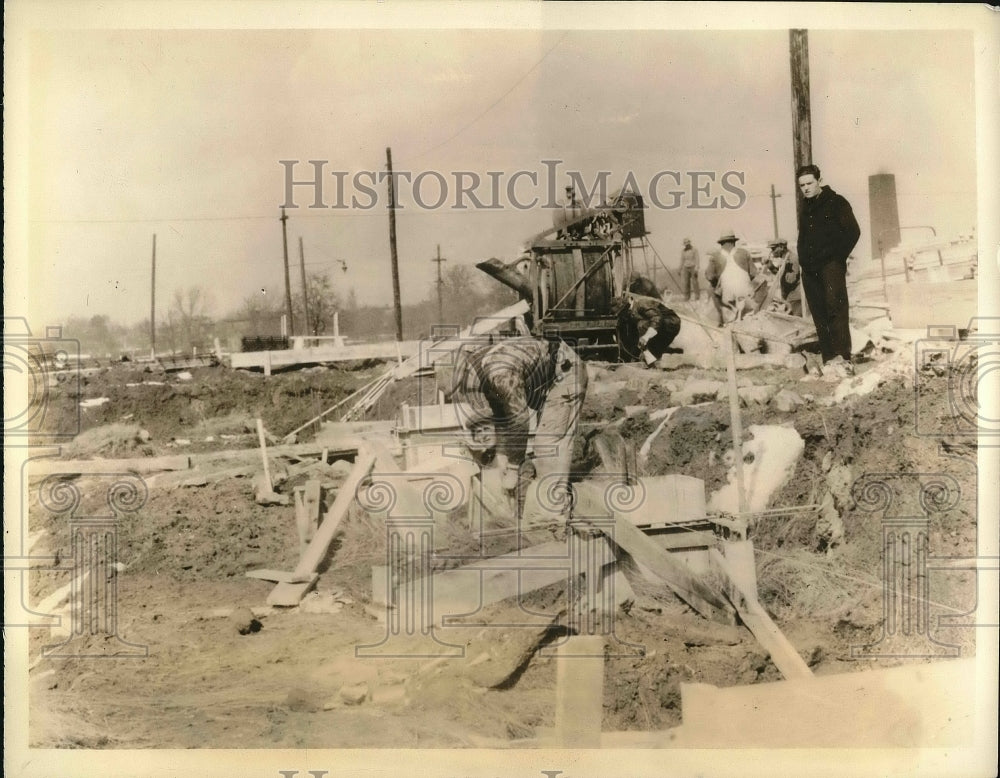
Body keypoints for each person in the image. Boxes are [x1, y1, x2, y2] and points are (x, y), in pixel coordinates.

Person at [445, 335, 588, 521]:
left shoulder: (498, 373)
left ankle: (553, 519)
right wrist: (503, 454)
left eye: (464, 391)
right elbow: (502, 416)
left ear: (465, 377)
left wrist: (512, 467)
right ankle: (542, 510)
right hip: (548, 378)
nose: (469, 396)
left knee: (548, 444)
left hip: (566, 374)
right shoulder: (484, 374)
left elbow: (520, 419)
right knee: (542, 445)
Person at [795, 164, 861, 370]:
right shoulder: (805, 208)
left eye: (809, 183)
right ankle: (828, 359)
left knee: (835, 307)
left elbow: (853, 231)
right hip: (810, 270)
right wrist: (803, 261)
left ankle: (843, 356)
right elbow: (803, 238)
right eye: (802, 185)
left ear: (819, 181)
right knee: (819, 313)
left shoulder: (836, 202)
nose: (806, 188)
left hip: (830, 266)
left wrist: (836, 258)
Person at [614, 292, 681, 367]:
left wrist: (646, 337)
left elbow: (656, 318)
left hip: (671, 323)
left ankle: (651, 359)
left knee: (641, 325)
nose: (626, 312)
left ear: (630, 300)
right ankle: (652, 359)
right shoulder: (629, 312)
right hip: (660, 326)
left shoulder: (641, 304)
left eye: (626, 308)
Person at [704, 230, 756, 325]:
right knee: (748, 316)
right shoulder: (744, 253)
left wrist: (717, 285)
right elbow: (753, 273)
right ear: (734, 242)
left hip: (728, 298)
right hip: (746, 295)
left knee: (712, 290)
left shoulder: (715, 256)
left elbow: (710, 276)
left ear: (721, 243)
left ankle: (723, 322)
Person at [766, 238, 803, 316]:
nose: (772, 252)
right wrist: (770, 265)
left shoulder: (793, 258)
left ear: (782, 247)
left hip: (795, 297)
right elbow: (780, 275)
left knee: (795, 322)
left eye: (773, 249)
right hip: (788, 297)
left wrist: (785, 266)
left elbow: (791, 280)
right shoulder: (784, 258)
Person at [679, 238, 701, 302]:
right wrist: (679, 269)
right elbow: (682, 260)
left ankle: (697, 296)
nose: (686, 245)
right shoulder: (683, 251)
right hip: (686, 267)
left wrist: (697, 268)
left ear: (690, 243)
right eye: (685, 244)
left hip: (693, 267)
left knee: (695, 282)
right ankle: (687, 297)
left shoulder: (694, 249)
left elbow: (697, 259)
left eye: (687, 244)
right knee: (686, 282)